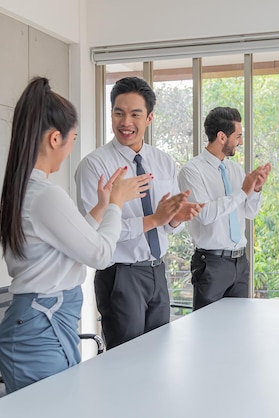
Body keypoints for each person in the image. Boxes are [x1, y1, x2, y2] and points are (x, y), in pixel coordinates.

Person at [0, 77, 152, 393]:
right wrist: (116, 205)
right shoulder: (44, 194)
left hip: (43, 323)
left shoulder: (28, 189)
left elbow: (69, 242)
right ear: (55, 139)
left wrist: (101, 206)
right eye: (72, 139)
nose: (70, 149)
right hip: (40, 327)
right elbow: (99, 254)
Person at [75, 77, 203, 349]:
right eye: (119, 113)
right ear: (111, 114)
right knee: (125, 361)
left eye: (135, 114)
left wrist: (175, 218)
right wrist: (152, 220)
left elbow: (165, 225)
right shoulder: (94, 166)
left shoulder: (163, 161)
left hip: (158, 271)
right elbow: (95, 232)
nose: (126, 122)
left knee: (158, 356)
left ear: (150, 118)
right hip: (120, 274)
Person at [178, 107, 271, 310]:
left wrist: (256, 189)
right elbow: (205, 215)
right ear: (221, 136)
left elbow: (249, 213)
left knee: (238, 328)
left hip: (240, 262)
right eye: (238, 136)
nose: (241, 142)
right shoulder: (192, 171)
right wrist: (243, 192)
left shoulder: (234, 169)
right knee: (208, 330)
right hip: (211, 264)